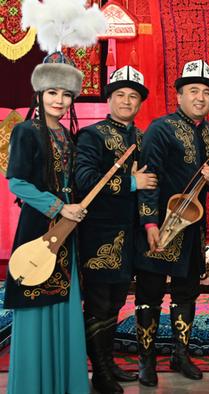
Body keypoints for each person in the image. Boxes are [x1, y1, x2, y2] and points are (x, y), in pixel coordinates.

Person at [4, 51, 90, 394]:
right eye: (53, 92)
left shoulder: (69, 136)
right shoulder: (26, 131)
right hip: (37, 229)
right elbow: (17, 183)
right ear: (39, 93)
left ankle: (64, 385)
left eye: (67, 94)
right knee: (36, 298)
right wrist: (59, 207)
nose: (60, 100)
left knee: (63, 298)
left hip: (68, 231)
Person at [135, 59, 209, 386]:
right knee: (150, 293)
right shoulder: (161, 128)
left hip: (193, 228)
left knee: (186, 293)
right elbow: (148, 178)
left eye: (206, 92)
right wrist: (149, 224)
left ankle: (180, 354)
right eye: (193, 91)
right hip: (161, 225)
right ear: (179, 95)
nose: (200, 97)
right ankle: (146, 361)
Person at [74, 65, 156, 394]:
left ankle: (107, 363)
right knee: (98, 304)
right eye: (120, 95)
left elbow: (151, 184)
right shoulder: (91, 136)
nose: (126, 101)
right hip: (99, 234)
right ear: (109, 99)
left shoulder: (140, 137)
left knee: (116, 302)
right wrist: (132, 182)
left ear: (139, 103)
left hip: (129, 235)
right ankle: (100, 373)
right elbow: (83, 182)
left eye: (132, 96)